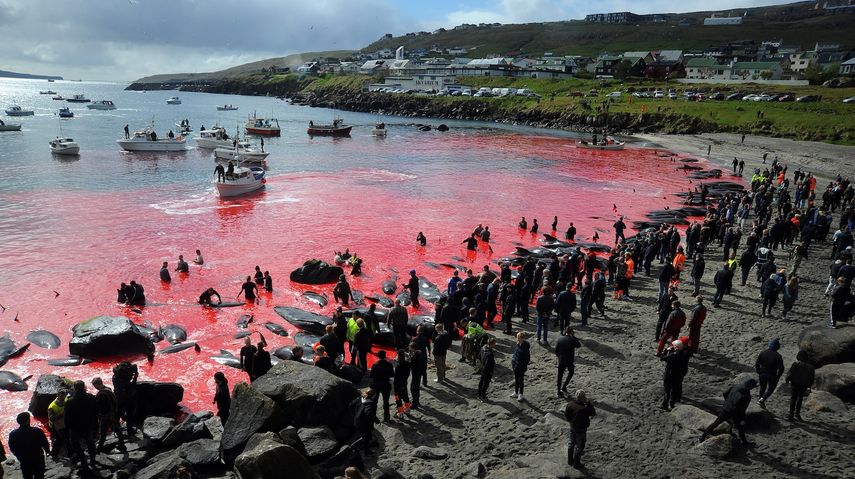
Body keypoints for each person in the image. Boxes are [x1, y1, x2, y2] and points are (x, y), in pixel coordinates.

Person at [699, 378, 757, 447]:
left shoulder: (735, 386)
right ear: (751, 387)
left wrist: (727, 402)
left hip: (725, 409)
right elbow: (742, 409)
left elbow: (725, 393)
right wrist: (742, 418)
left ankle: (703, 436)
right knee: (740, 427)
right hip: (735, 413)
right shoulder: (747, 395)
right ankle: (744, 442)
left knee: (715, 423)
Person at [64, 380, 98, 470]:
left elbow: (67, 417)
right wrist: (95, 425)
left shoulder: (70, 402)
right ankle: (92, 459)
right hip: (88, 425)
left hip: (75, 428)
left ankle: (83, 460)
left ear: (74, 389)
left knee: (75, 444)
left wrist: (67, 428)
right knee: (90, 443)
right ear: (84, 387)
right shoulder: (91, 397)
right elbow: (95, 411)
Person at [8, 412, 50, 479]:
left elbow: (12, 447)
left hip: (24, 460)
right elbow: (44, 443)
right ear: (28, 420)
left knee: (27, 476)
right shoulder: (37, 431)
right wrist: (47, 451)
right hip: (38, 458)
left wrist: (18, 456)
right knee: (39, 475)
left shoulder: (13, 434)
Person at [91, 377, 125, 453]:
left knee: (103, 433)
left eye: (94, 386)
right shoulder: (108, 389)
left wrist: (99, 415)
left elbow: (102, 408)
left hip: (106, 417)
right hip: (113, 414)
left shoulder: (101, 394)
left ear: (96, 385)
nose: (95, 388)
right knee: (117, 430)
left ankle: (98, 449)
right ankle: (122, 444)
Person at [564, 390, 596, 469]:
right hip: (581, 429)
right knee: (580, 445)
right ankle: (576, 463)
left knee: (571, 443)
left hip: (573, 427)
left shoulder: (570, 404)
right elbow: (593, 412)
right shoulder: (584, 409)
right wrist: (589, 404)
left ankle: (570, 461)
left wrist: (571, 421)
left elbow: (567, 416)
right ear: (583, 398)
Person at [660, 339, 692, 410]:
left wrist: (666, 350)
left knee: (667, 390)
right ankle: (672, 404)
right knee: (674, 389)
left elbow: (662, 358)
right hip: (678, 374)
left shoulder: (674, 355)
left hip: (669, 374)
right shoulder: (684, 354)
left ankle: (665, 404)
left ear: (677, 347)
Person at [785, 351, 815, 421]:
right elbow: (812, 378)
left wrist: (787, 380)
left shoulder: (795, 364)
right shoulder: (810, 367)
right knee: (800, 398)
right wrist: (809, 386)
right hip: (804, 385)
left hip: (795, 383)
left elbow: (790, 373)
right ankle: (797, 413)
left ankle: (791, 414)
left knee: (793, 398)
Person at [755, 338, 785, 408]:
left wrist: (759, 372)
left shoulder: (763, 353)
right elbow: (781, 368)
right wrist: (778, 376)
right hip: (772, 375)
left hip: (762, 374)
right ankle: (761, 400)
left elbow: (757, 364)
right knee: (771, 389)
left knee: (762, 388)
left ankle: (760, 401)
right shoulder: (778, 356)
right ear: (777, 347)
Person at [111, 361, 138, 437]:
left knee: (117, 414)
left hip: (118, 397)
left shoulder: (114, 377)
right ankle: (130, 431)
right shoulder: (126, 381)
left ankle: (117, 430)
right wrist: (135, 377)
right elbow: (132, 387)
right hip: (128, 398)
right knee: (129, 414)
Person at [555, 326, 581, 397]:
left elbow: (556, 351)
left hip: (562, 360)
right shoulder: (572, 339)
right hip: (569, 360)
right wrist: (574, 336)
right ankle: (564, 386)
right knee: (571, 372)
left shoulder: (560, 338)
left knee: (560, 376)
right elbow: (579, 345)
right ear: (572, 332)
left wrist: (560, 357)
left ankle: (558, 391)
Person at [369, 350, 394, 421]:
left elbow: (371, 376)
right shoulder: (389, 364)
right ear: (385, 356)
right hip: (386, 384)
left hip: (376, 385)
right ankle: (386, 417)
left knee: (374, 402)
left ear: (378, 356)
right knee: (386, 401)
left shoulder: (375, 365)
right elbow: (392, 375)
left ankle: (373, 417)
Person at [351, 389, 379, 454]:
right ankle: (356, 446)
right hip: (364, 423)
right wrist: (376, 420)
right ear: (373, 395)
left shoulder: (359, 399)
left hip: (357, 421)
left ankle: (365, 450)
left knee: (365, 436)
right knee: (367, 437)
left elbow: (351, 405)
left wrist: (357, 412)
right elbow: (368, 413)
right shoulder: (370, 402)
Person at [46, 391, 68, 459]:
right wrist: (62, 413)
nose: (63, 398)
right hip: (55, 426)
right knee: (59, 439)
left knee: (66, 437)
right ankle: (54, 454)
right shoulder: (52, 407)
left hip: (64, 423)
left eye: (64, 396)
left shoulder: (66, 399)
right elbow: (51, 418)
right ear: (57, 395)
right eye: (61, 396)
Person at [511, 332, 531, 401]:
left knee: (521, 380)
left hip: (521, 367)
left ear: (522, 338)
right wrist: (513, 363)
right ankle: (516, 392)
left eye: (518, 338)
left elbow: (527, 359)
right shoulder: (518, 344)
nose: (517, 339)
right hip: (516, 366)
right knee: (516, 379)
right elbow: (515, 354)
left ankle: (521, 394)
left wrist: (523, 365)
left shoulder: (525, 347)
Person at [477, 337, 496, 401]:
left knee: (481, 381)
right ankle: (483, 395)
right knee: (485, 383)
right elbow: (488, 364)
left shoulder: (483, 347)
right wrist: (490, 371)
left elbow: (479, 356)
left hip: (482, 367)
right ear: (492, 344)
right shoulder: (489, 354)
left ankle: (479, 394)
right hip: (487, 370)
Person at [393, 349, 411, 418]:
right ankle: (407, 409)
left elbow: (396, 377)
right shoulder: (407, 364)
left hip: (398, 385)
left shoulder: (398, 367)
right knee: (406, 396)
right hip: (404, 383)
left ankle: (400, 413)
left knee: (398, 399)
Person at [408, 341, 426, 409]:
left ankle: (414, 403)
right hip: (419, 372)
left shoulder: (415, 355)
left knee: (413, 388)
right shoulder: (419, 352)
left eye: (410, 347)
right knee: (416, 387)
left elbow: (411, 364)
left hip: (416, 373)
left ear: (413, 348)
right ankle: (416, 401)